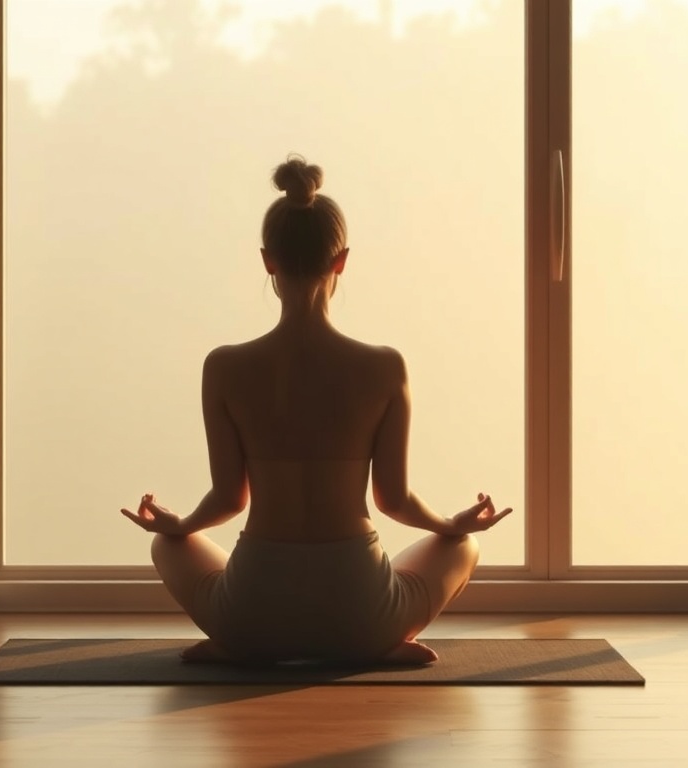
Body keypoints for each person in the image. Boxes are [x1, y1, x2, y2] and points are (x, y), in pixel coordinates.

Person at [121, 155, 511, 665]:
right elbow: (393, 500)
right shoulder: (385, 367)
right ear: (341, 260)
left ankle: (238, 646)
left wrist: (178, 525)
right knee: (463, 547)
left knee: (166, 548)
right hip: (362, 615)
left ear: (268, 260)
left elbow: (228, 499)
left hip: (252, 614)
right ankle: (380, 647)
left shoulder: (224, 367)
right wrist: (450, 523)